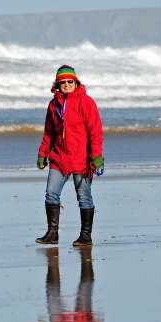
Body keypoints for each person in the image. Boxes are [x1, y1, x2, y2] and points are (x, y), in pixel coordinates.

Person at [35, 65, 104, 246]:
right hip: (59, 158)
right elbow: (49, 133)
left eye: (69, 81)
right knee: (51, 193)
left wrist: (96, 157)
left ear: (75, 82)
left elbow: (95, 132)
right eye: (62, 82)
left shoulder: (87, 102)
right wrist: (43, 153)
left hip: (82, 160)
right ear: (57, 84)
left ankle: (85, 235)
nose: (66, 84)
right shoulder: (53, 105)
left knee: (84, 197)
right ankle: (52, 233)